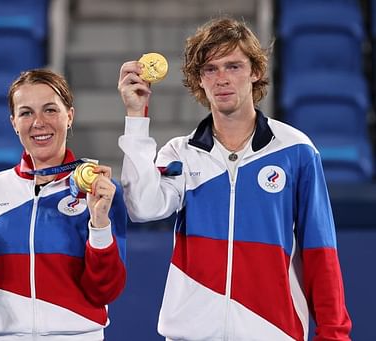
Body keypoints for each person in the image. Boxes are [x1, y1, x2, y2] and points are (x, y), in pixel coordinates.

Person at [117, 17, 351, 340]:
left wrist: (334, 335)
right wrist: (135, 117)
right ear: (199, 80)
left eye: (233, 66)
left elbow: (321, 253)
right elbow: (142, 207)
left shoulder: (296, 151)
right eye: (211, 69)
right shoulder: (181, 154)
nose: (222, 79)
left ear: (255, 72)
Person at [0, 68, 127, 341]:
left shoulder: (99, 191)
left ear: (70, 116)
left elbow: (106, 291)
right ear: (14, 123)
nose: (38, 122)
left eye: (50, 110)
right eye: (26, 112)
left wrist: (99, 222)